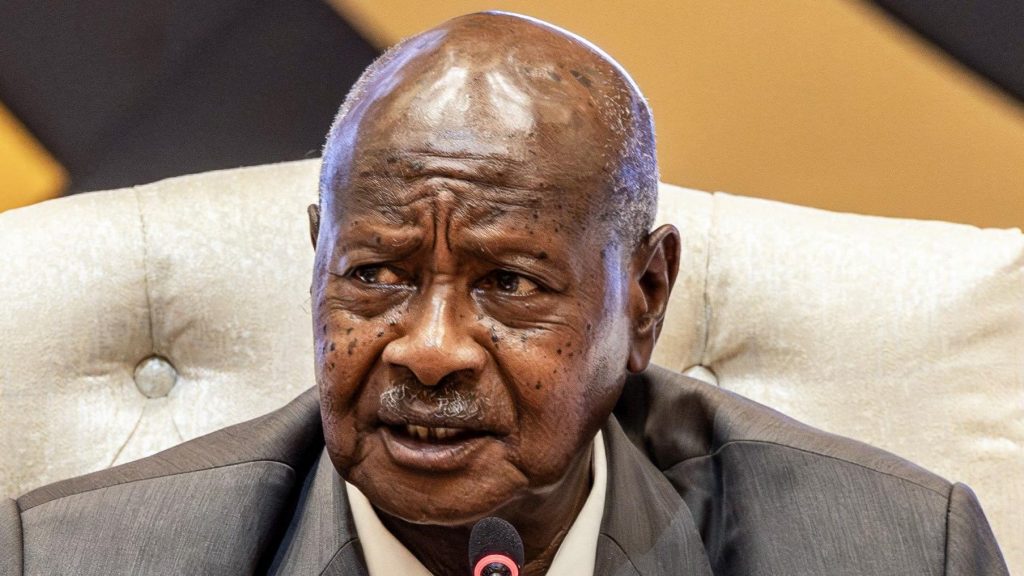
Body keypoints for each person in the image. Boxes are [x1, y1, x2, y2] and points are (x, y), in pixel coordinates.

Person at [4, 11, 1008, 576]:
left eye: (510, 284)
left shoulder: (894, 554)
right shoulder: (71, 561)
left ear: (645, 297)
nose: (429, 347)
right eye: (375, 276)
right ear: (317, 265)